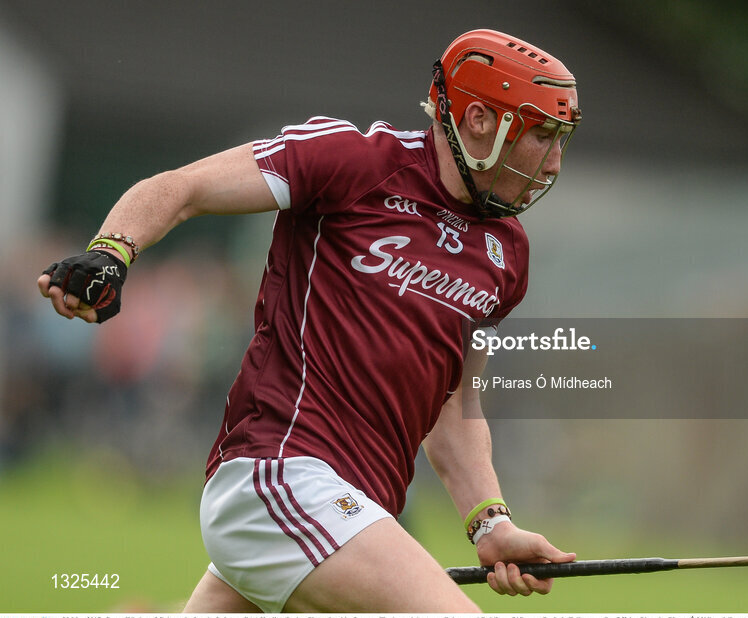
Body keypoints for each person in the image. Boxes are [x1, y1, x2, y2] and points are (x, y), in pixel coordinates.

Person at [37, 28, 582, 612]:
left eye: (560, 140)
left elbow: (454, 403)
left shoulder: (507, 253)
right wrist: (110, 254)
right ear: (479, 120)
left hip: (356, 510)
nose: (552, 161)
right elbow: (182, 189)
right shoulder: (355, 161)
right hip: (283, 476)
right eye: (541, 135)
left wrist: (488, 523)